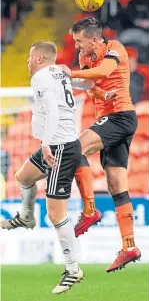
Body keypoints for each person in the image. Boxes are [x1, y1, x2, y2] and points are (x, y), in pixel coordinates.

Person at [0, 40, 84, 294]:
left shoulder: (40, 77)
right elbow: (77, 88)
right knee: (23, 175)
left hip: (60, 148)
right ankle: (26, 216)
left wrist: (45, 144)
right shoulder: (58, 71)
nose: (26, 61)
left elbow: (52, 111)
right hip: (60, 143)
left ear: (39, 58)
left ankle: (72, 269)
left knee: (56, 214)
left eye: (29, 56)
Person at [60, 17, 141, 273]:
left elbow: (105, 72)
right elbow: (91, 85)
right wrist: (100, 93)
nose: (77, 46)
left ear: (94, 39)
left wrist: (71, 72)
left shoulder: (115, 48)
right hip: (109, 118)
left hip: (121, 116)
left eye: (79, 42)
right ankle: (129, 246)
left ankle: (90, 210)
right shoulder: (85, 59)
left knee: (74, 147)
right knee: (117, 185)